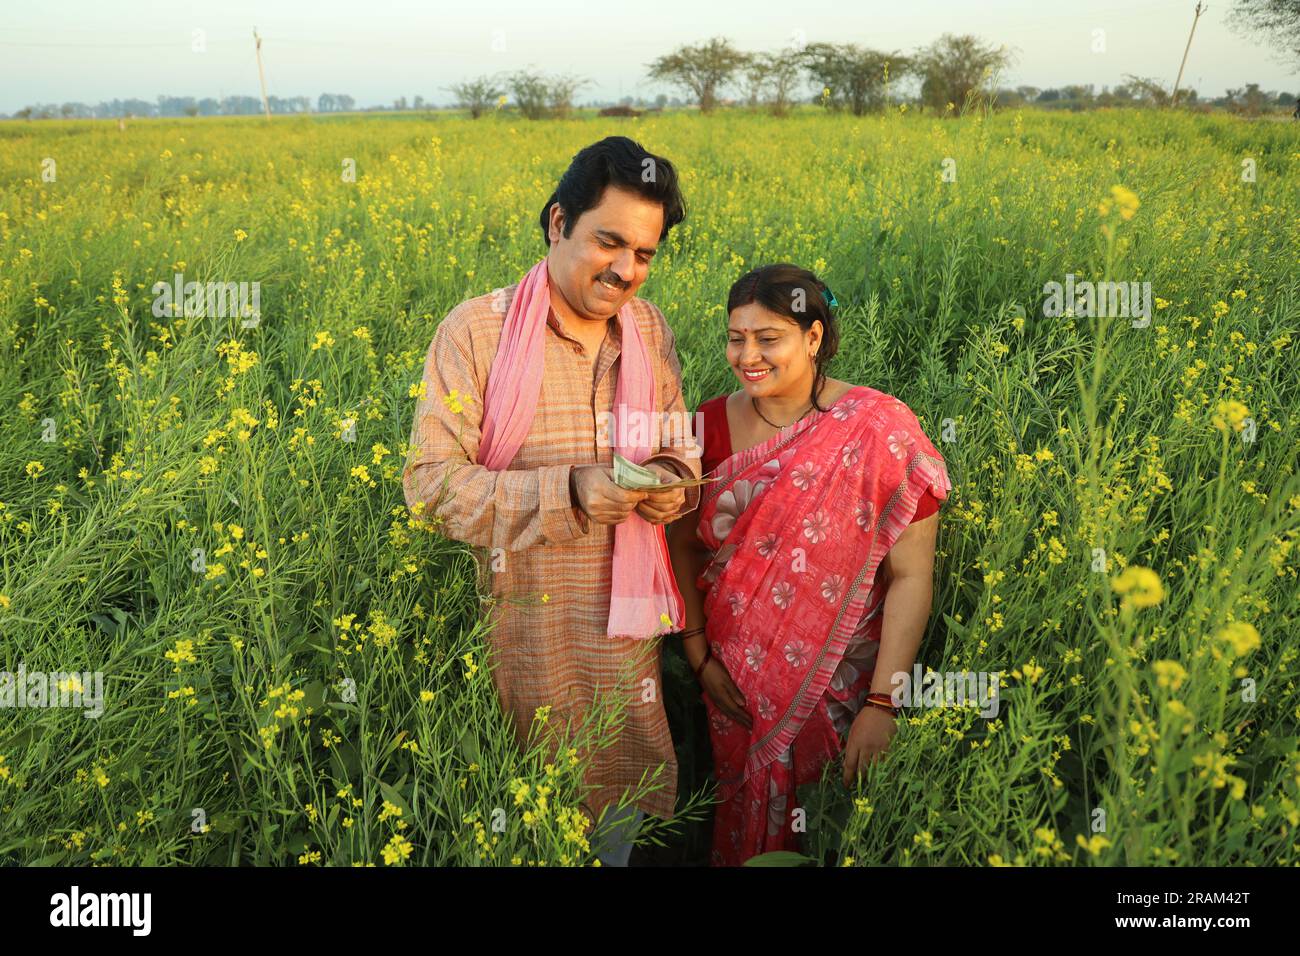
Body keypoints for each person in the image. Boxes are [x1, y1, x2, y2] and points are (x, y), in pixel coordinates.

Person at [402, 136, 703, 864]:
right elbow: (431, 484)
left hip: (623, 647)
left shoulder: (649, 330)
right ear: (556, 222)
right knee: (520, 816)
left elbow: (677, 447)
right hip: (520, 642)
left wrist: (669, 485)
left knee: (619, 820)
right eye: (609, 242)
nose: (626, 270)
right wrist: (568, 490)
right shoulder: (475, 331)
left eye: (645, 253)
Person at [666, 263, 951, 866]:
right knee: (740, 821)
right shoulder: (708, 425)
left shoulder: (879, 428)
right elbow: (683, 543)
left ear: (814, 337)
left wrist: (883, 704)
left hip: (840, 687)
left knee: (830, 833)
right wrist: (697, 656)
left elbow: (911, 575)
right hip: (733, 684)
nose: (748, 356)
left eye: (768, 338)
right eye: (736, 337)